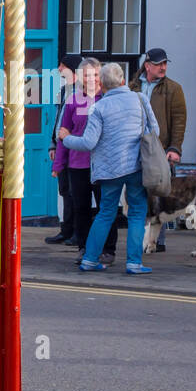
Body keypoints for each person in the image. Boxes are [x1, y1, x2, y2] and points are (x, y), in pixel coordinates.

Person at [61, 62, 156, 275]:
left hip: (109, 170)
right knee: (137, 212)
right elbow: (154, 130)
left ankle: (90, 260)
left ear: (102, 84)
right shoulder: (140, 99)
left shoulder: (99, 107)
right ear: (123, 80)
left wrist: (67, 139)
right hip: (136, 168)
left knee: (105, 213)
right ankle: (134, 263)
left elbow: (88, 143)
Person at [132, 47, 186, 252]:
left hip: (160, 149)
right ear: (148, 65)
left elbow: (179, 121)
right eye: (159, 64)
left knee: (160, 192)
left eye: (165, 64)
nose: (163, 67)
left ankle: (157, 241)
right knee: (138, 192)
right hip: (135, 147)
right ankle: (141, 238)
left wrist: (175, 148)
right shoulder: (133, 86)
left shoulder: (174, 89)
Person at [54, 58, 103, 264]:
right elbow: (63, 134)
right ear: (80, 77)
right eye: (87, 75)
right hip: (78, 164)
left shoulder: (106, 99)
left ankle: (107, 249)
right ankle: (83, 248)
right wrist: (58, 164)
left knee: (104, 209)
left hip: (102, 165)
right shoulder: (73, 100)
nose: (91, 79)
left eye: (95, 75)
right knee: (81, 209)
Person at [45, 56, 81, 245]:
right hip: (62, 145)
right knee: (65, 189)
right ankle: (66, 230)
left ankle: (77, 231)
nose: (59, 69)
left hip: (74, 146)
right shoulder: (64, 91)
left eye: (63, 66)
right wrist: (54, 144)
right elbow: (58, 120)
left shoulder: (83, 93)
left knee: (76, 191)